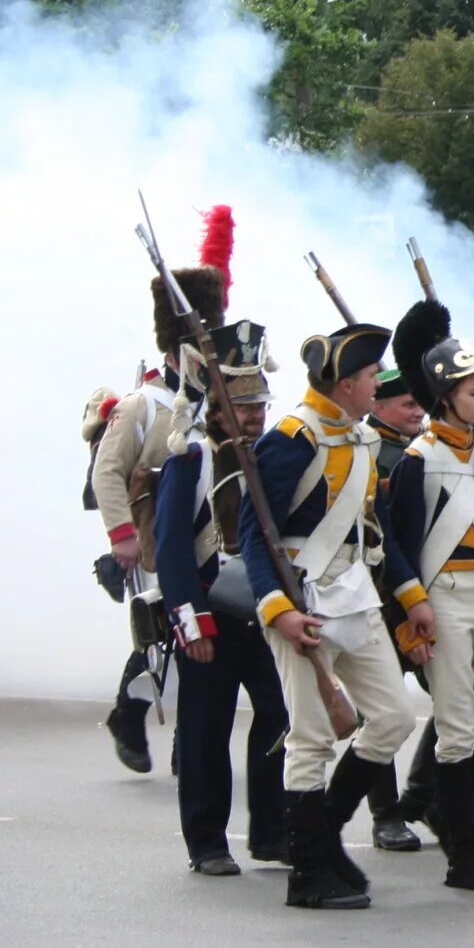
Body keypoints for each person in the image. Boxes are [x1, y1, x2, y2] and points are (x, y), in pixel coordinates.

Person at [242, 321, 420, 910]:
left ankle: (325, 836)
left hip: (358, 595)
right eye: (371, 376)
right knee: (312, 739)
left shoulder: (362, 439)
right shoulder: (293, 437)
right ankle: (308, 875)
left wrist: (413, 598)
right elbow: (255, 533)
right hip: (304, 600)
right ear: (346, 384)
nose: (378, 384)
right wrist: (277, 610)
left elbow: (377, 530)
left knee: (393, 718)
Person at [384, 300, 474, 891]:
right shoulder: (420, 461)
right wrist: (409, 612)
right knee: (454, 728)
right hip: (440, 600)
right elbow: (398, 545)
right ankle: (463, 855)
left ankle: (447, 809)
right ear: (447, 398)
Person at [152, 317, 286, 877]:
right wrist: (190, 619)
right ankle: (206, 840)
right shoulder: (190, 456)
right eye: (242, 403)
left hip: (266, 609)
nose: (253, 415)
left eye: (259, 404)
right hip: (209, 609)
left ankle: (272, 830)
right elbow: (171, 545)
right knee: (207, 726)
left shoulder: (275, 452)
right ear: (216, 402)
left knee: (281, 715)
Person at [93, 260, 227, 775]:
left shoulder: (218, 401)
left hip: (213, 533)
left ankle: (183, 746)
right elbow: (109, 473)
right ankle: (130, 715)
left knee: (203, 630)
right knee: (166, 631)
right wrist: (122, 540)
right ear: (175, 353)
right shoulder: (142, 405)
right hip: (156, 532)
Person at [362, 368, 430, 854]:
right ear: (378, 405)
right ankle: (385, 815)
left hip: (423, 591)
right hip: (378, 595)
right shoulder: (366, 451)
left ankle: (421, 795)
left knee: (456, 697)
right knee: (382, 709)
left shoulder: (425, 450)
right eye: (407, 404)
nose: (417, 412)